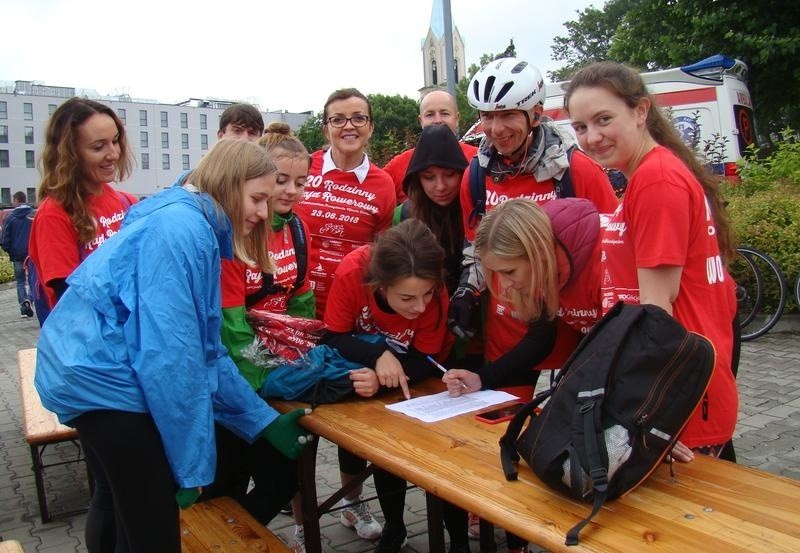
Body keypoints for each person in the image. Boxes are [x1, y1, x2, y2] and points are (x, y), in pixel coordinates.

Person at [34, 139, 312, 553]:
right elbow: (173, 362)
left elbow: (206, 352)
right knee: (153, 527)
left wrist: (261, 420)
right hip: (104, 382)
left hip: (83, 371)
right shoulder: (182, 232)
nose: (260, 213)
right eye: (256, 199)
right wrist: (190, 468)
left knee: (118, 504)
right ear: (227, 183)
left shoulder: (192, 222)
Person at [451, 58, 619, 549]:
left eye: (508, 115)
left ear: (535, 114)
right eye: (486, 116)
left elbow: (609, 244)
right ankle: (511, 519)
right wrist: (468, 289)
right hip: (511, 316)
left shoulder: (576, 171)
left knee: (571, 422)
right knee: (505, 420)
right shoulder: (476, 175)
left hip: (572, 317)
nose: (496, 128)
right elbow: (475, 244)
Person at [564, 61, 738, 463]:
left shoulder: (657, 181)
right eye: (580, 127)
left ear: (641, 112)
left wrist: (644, 413)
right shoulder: (649, 174)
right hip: (680, 388)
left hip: (676, 399)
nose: (592, 136)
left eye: (604, 119)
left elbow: (657, 315)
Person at [441, 197, 603, 553]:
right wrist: (482, 378)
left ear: (537, 254)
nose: (506, 286)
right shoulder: (548, 271)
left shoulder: (598, 263)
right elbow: (541, 338)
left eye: (511, 272)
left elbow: (638, 347)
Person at [294, 88, 395, 542]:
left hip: (350, 320)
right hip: (295, 316)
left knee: (352, 420)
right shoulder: (304, 169)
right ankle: (300, 524)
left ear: (371, 125)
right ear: (326, 126)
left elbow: (381, 256)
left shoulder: (383, 184)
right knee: (299, 425)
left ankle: (351, 504)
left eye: (358, 118)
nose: (348, 126)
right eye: (338, 119)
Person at [321, 218, 449, 553]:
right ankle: (353, 503)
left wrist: (385, 377)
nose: (420, 307)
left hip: (402, 376)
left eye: (427, 294)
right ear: (379, 284)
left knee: (392, 445)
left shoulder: (431, 285)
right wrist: (378, 355)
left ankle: (397, 527)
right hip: (357, 367)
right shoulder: (353, 272)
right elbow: (333, 335)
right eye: (407, 298)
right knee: (353, 440)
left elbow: (427, 357)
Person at [215, 122, 314, 551]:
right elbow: (230, 326)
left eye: (301, 181)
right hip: (233, 382)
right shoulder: (234, 233)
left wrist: (300, 363)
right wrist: (266, 382)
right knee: (226, 484)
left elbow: (302, 304)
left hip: (273, 378)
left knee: (280, 479)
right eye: (280, 180)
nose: (291, 191)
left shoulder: (296, 229)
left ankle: (234, 541)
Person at [29, 97, 138, 315]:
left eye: (115, 141)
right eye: (99, 147)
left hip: (130, 340)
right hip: (91, 343)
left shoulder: (128, 202)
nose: (113, 154)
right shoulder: (54, 214)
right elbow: (69, 302)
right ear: (70, 153)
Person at [383, 90, 477, 203]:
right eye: (430, 115)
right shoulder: (399, 165)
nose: (438, 120)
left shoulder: (478, 159)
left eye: (444, 113)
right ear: (420, 120)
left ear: (457, 118)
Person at [1, 191, 35, 318]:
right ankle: (31, 300)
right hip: (32, 254)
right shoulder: (34, 215)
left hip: (18, 256)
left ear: (16, 200)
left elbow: (4, 240)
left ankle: (23, 307)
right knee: (33, 280)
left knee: (20, 281)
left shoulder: (10, 217)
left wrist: (11, 252)